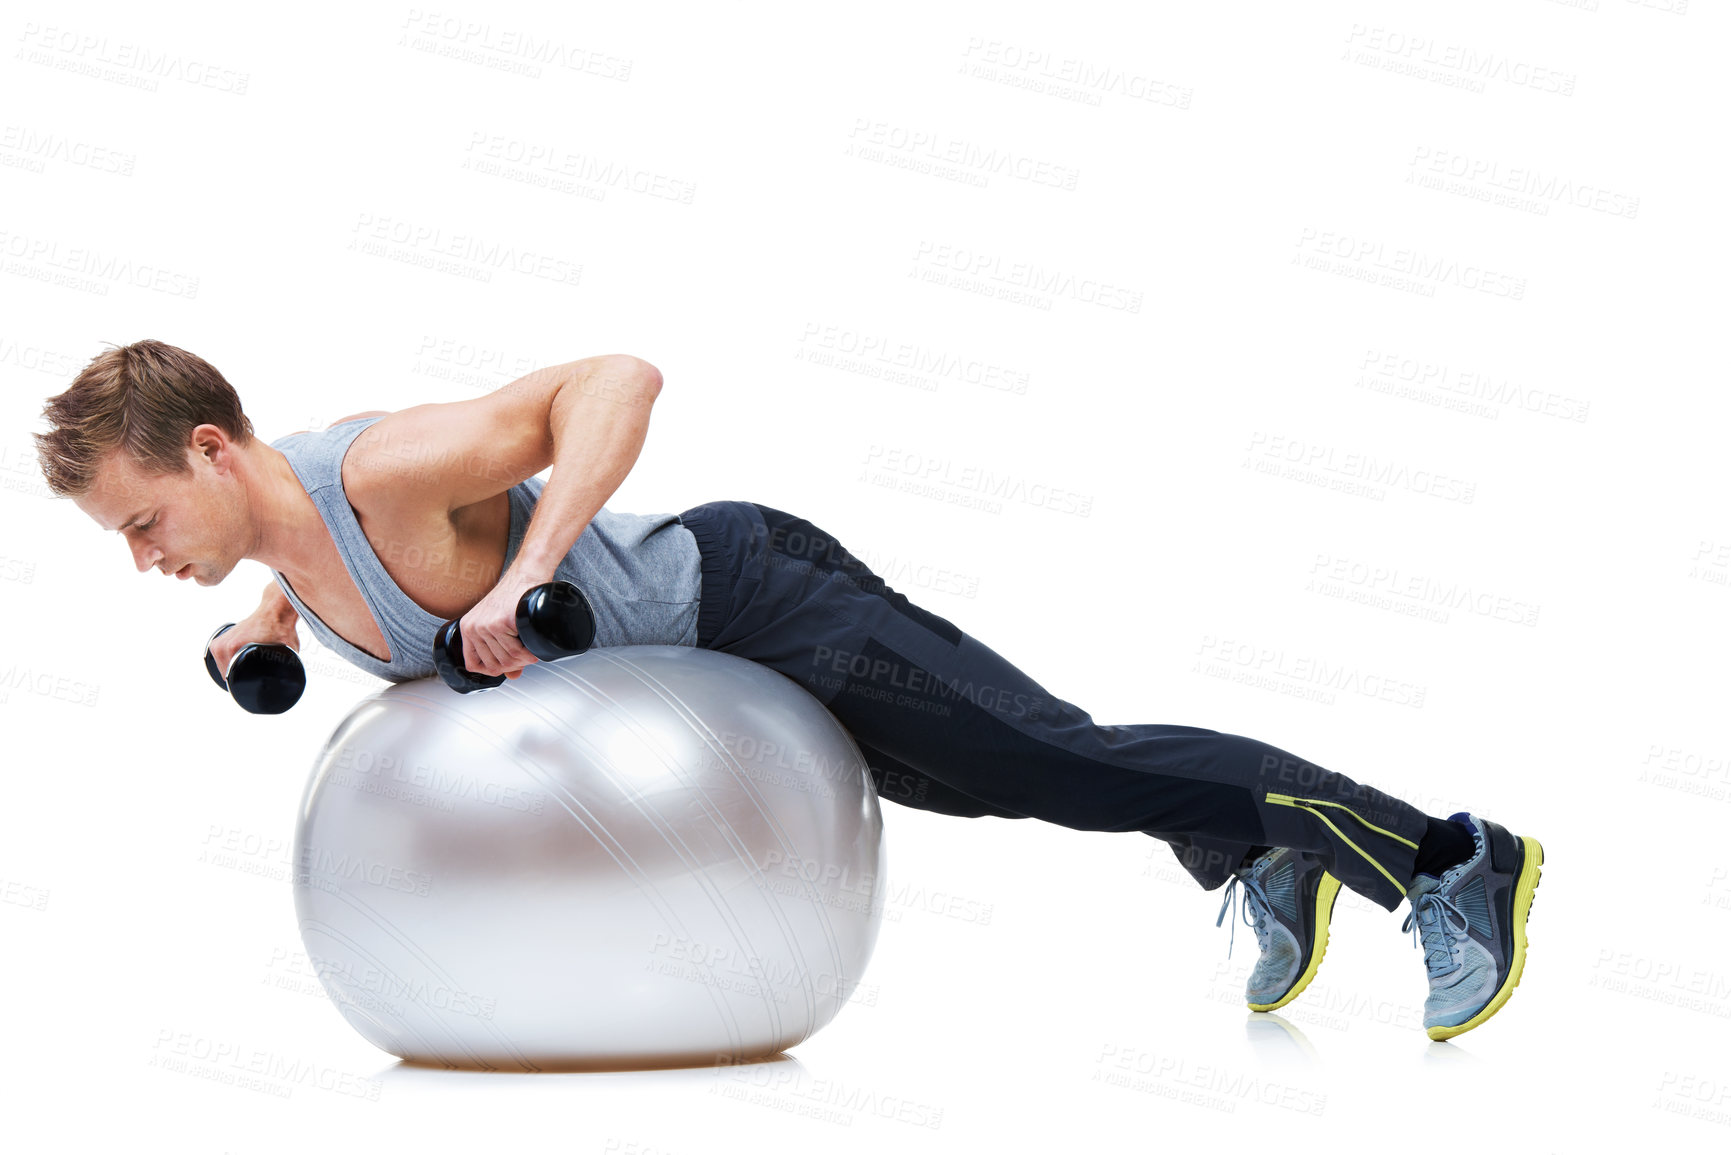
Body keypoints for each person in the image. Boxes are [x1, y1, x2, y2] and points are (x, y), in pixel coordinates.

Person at [35, 338, 1543, 1042]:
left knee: (1051, 760)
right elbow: (314, 564)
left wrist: (525, 570)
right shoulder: (288, 537)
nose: (143, 557)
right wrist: (267, 624)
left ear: (213, 454)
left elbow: (612, 380)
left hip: (761, 600)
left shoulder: (383, 467)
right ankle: (1247, 846)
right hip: (718, 678)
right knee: (994, 779)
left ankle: (1447, 861)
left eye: (146, 524)